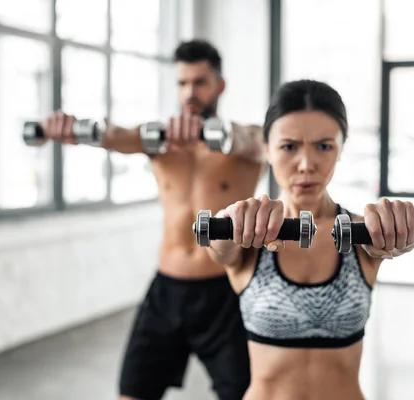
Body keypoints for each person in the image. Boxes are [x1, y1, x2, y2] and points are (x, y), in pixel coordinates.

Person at [40, 40, 266, 400]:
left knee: (246, 395)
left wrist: (218, 134)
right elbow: (113, 135)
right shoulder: (159, 141)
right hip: (167, 290)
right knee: (132, 392)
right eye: (182, 83)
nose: (190, 92)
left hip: (226, 293)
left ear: (219, 86)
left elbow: (258, 140)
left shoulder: (245, 146)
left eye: (200, 82)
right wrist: (70, 127)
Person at [206, 79, 414, 400]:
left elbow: (396, 239)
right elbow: (221, 249)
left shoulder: (362, 234)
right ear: (266, 149)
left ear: (340, 149)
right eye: (289, 146)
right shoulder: (246, 237)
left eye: (324, 146)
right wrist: (228, 220)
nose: (306, 165)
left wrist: (404, 227)